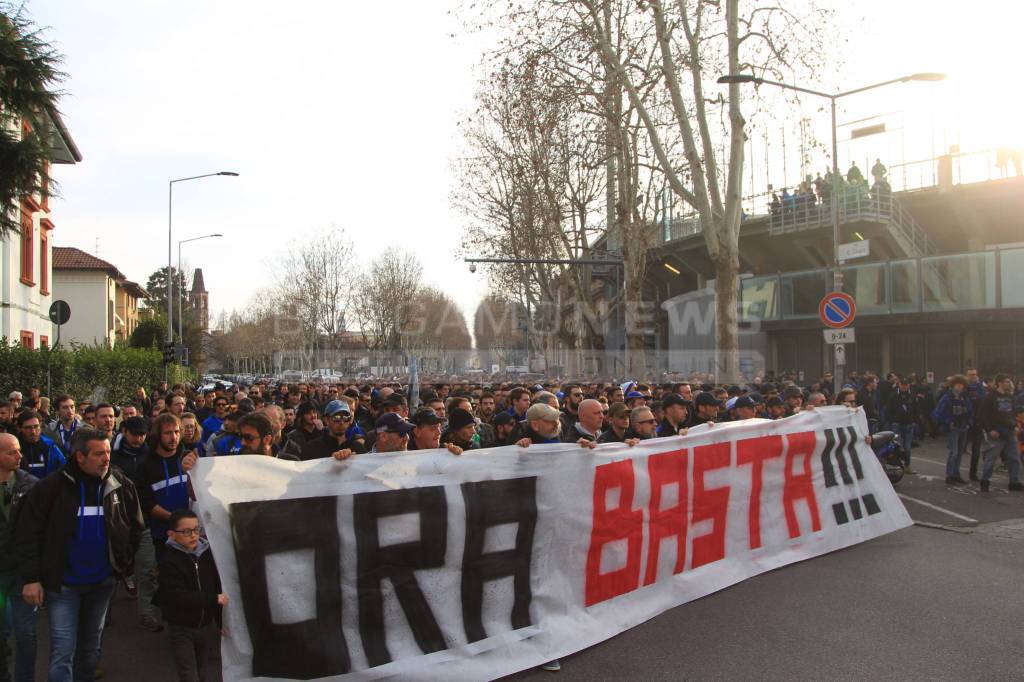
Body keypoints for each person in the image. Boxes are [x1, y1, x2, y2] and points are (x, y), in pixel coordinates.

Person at [14, 427, 144, 682]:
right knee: (63, 651)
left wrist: (121, 562)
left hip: (102, 583)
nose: (106, 458)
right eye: (98, 454)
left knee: (91, 649)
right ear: (79, 457)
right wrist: (32, 578)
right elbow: (28, 535)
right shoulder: (51, 488)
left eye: (107, 452)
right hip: (63, 586)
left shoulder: (119, 484)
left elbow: (136, 526)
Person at [157, 509, 226, 682]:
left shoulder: (207, 554)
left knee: (203, 669)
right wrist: (213, 599)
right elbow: (177, 596)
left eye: (196, 529)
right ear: (171, 534)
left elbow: (215, 586)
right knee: (188, 672)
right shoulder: (168, 561)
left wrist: (220, 621)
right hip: (181, 626)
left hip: (205, 625)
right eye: (186, 532)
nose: (193, 535)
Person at [0, 433, 38, 682]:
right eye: (12, 452)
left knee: (26, 634)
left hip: (23, 573)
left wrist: (35, 575)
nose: (19, 456)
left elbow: (39, 532)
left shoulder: (31, 485)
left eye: (19, 450)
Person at [976, 374, 1022, 493]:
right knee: (991, 459)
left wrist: (1016, 425)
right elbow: (983, 415)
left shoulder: (1010, 397)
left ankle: (1014, 482)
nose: (1009, 383)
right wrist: (990, 429)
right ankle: (985, 481)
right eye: (1006, 381)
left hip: (1010, 431)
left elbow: (1012, 413)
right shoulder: (990, 397)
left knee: (1014, 458)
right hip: (996, 432)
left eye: (1009, 381)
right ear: (1000, 383)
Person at [932, 374, 973, 485]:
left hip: (963, 427)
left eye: (961, 385)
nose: (959, 387)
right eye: (957, 385)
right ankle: (949, 475)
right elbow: (937, 413)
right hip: (953, 428)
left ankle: (956, 474)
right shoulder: (947, 397)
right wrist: (948, 422)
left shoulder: (965, 397)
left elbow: (970, 411)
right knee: (953, 452)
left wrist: (969, 423)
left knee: (959, 453)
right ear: (953, 385)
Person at [301, 401, 365, 460]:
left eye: (346, 418)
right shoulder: (312, 448)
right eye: (337, 418)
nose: (342, 422)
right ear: (326, 420)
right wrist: (330, 460)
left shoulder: (357, 448)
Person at [16, 410, 65, 478]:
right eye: (28, 428)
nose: (33, 431)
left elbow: (63, 469)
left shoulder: (51, 446)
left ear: (41, 426)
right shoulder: (13, 448)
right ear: (19, 428)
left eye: (36, 426)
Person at [885, 377, 919, 474]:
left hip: (909, 425)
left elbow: (917, 410)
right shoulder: (893, 396)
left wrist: (914, 421)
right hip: (897, 424)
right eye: (902, 385)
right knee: (898, 446)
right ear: (899, 385)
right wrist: (892, 420)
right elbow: (888, 409)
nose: (904, 387)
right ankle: (897, 465)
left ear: (908, 385)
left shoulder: (912, 396)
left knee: (907, 447)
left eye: (906, 385)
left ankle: (907, 465)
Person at [964, 368, 987, 481]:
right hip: (965, 421)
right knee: (957, 450)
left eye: (974, 374)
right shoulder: (964, 387)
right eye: (970, 375)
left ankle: (973, 474)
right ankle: (953, 474)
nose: (973, 376)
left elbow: (983, 398)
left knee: (976, 450)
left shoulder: (980, 387)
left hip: (977, 422)